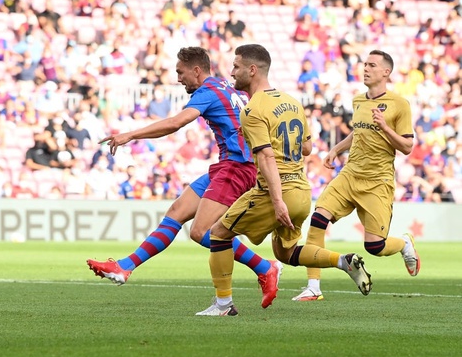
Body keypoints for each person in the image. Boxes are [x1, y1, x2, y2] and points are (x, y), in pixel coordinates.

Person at [87, 46, 283, 309]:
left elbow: (176, 123)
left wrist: (130, 135)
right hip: (228, 165)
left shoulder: (208, 91)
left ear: (197, 70)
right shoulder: (226, 86)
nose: (178, 78)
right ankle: (125, 267)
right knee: (177, 212)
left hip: (237, 167)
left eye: (181, 73)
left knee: (202, 231)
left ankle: (262, 269)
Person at [196, 44, 372, 316]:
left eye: (236, 66)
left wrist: (276, 201)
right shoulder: (292, 102)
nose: (232, 72)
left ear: (252, 70)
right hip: (301, 191)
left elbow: (266, 158)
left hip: (274, 192)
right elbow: (306, 148)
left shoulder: (252, 110)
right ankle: (343, 261)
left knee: (217, 234)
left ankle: (223, 305)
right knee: (285, 253)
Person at [292, 50, 420, 301]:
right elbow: (358, 133)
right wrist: (337, 149)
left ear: (386, 72)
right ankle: (314, 287)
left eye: (372, 65)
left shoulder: (399, 104)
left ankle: (404, 243)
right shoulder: (359, 101)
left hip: (377, 181)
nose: (365, 69)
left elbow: (406, 147)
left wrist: (384, 126)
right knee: (318, 220)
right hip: (350, 174)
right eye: (364, 64)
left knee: (374, 247)